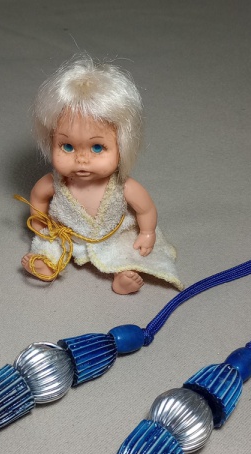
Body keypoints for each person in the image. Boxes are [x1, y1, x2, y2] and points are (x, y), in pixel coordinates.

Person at [20, 55, 183, 294]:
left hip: (111, 236)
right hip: (68, 236)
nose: (81, 159)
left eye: (97, 147)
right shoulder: (54, 183)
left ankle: (122, 277)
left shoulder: (123, 186)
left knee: (128, 248)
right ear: (51, 141)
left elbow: (145, 209)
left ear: (122, 145)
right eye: (67, 146)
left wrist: (147, 232)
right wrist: (39, 221)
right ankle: (46, 265)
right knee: (47, 242)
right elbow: (38, 197)